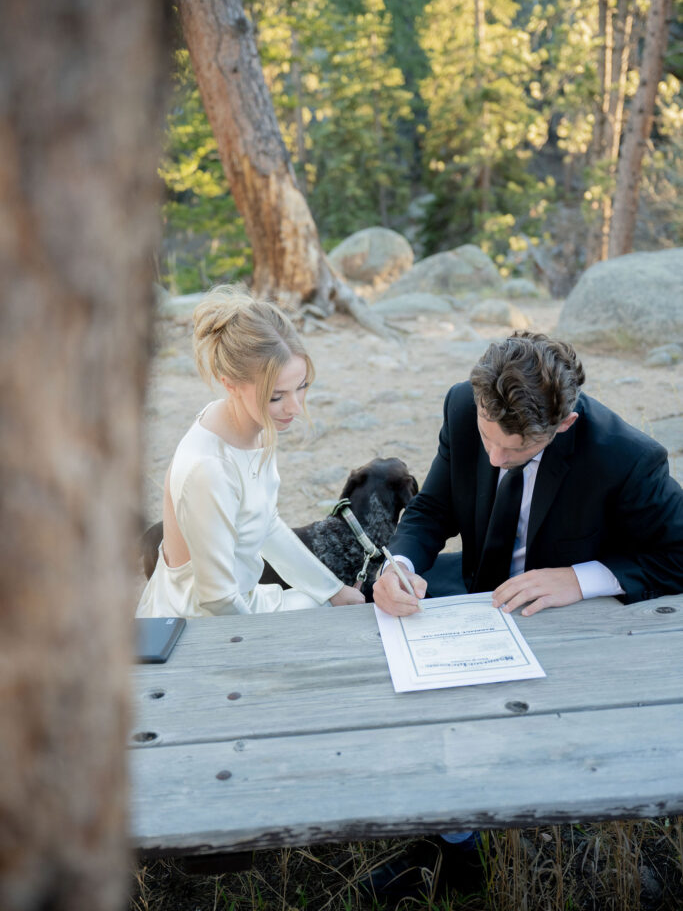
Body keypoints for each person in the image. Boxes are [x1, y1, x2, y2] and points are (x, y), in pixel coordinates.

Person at [364, 330, 683, 905]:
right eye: (488, 438)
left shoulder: (625, 457)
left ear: (564, 424)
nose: (494, 459)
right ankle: (455, 841)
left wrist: (581, 578)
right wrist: (400, 564)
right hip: (482, 596)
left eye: (516, 451)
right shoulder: (463, 405)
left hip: (572, 628)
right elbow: (434, 507)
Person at [136, 287, 364, 619]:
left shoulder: (254, 425)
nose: (294, 407)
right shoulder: (209, 469)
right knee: (326, 621)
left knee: (337, 606)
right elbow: (218, 599)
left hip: (241, 599)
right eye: (276, 396)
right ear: (230, 384)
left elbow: (265, 523)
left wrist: (332, 589)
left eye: (301, 387)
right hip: (199, 622)